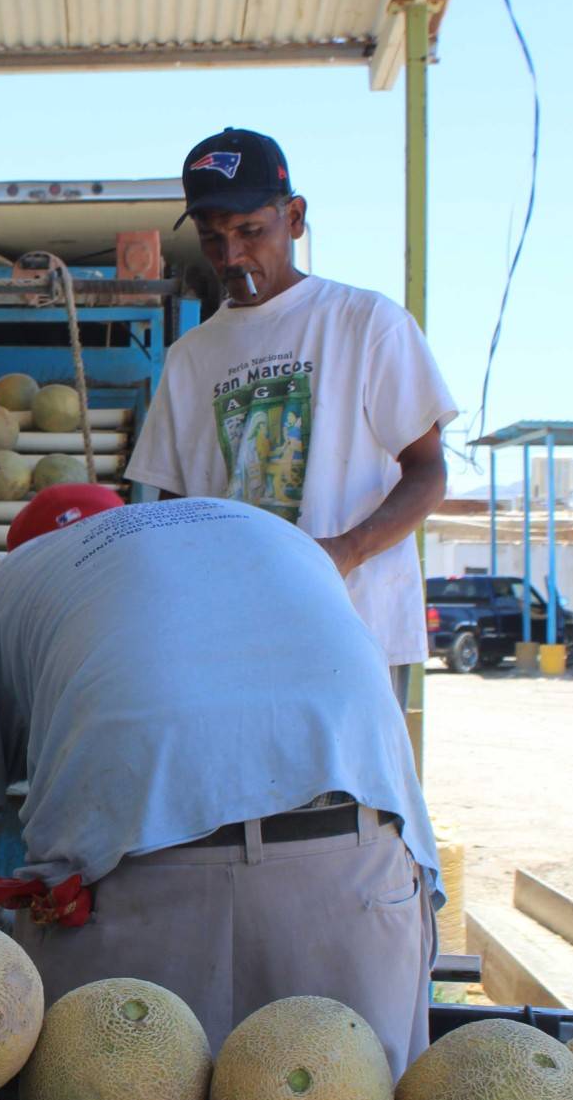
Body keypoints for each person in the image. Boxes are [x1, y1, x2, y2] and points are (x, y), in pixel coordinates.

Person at [0, 485, 441, 1077]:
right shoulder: (270, 537)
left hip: (144, 901)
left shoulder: (20, 577)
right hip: (367, 877)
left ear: (27, 552)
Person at [126, 128, 457, 693]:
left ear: (295, 218)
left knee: (348, 786)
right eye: (213, 239)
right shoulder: (189, 358)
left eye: (251, 231)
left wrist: (345, 552)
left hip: (354, 636)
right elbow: (175, 513)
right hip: (231, 644)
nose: (231, 256)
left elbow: (428, 472)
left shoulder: (366, 323)